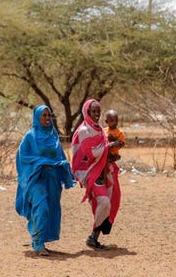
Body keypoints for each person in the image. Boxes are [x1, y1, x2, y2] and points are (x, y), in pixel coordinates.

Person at [15, 105, 76, 256]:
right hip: (36, 179)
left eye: (49, 116)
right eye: (44, 116)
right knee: (41, 208)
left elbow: (60, 156)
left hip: (52, 179)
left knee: (50, 209)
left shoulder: (53, 136)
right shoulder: (30, 137)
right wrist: (41, 162)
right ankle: (37, 242)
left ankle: (41, 238)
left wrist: (62, 167)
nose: (48, 118)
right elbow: (23, 157)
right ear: (37, 117)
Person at [71, 99, 121, 250]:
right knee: (104, 202)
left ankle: (94, 238)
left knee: (109, 201)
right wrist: (110, 146)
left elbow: (102, 149)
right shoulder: (84, 130)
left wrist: (111, 156)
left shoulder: (98, 128)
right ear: (87, 112)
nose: (97, 114)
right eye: (93, 111)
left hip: (102, 170)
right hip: (89, 172)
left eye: (98, 111)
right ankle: (93, 236)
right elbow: (92, 153)